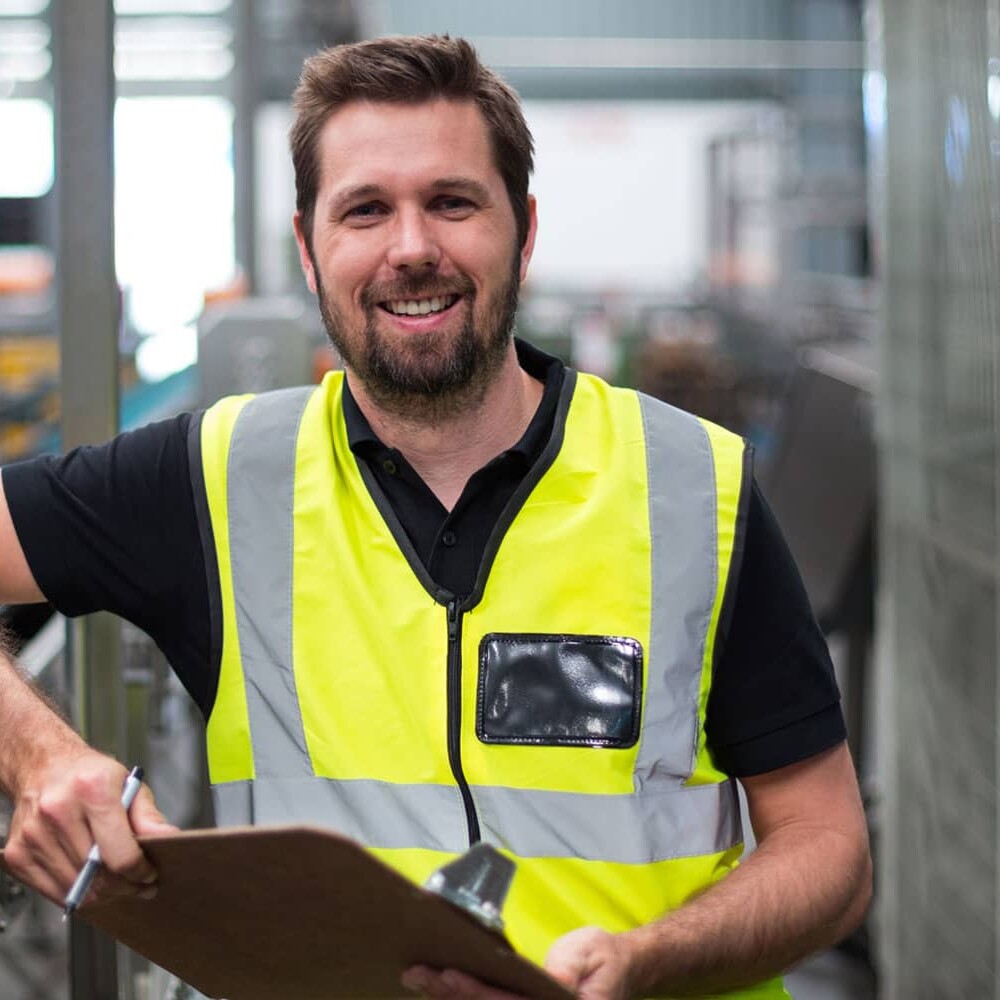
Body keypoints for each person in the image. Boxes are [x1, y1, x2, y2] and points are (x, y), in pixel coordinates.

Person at [0, 35, 870, 999]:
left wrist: (647, 962)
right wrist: (38, 752)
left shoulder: (690, 485)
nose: (411, 248)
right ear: (308, 247)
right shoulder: (213, 479)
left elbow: (828, 847)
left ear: (524, 230)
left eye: (452, 202)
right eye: (365, 210)